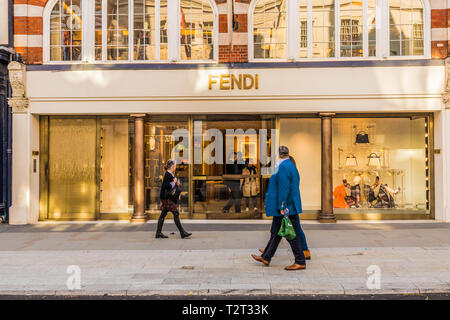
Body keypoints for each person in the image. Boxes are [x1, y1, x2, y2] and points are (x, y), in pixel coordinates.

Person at [251, 146, 306, 270]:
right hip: (290, 205)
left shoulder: (283, 167)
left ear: (278, 155)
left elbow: (284, 188)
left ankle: (300, 260)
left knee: (291, 235)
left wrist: (282, 206)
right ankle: (266, 257)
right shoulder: (291, 166)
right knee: (276, 233)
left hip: (286, 207)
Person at [258, 155, 311, 260]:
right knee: (277, 231)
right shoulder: (287, 171)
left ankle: (303, 253)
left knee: (293, 232)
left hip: (287, 208)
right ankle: (268, 254)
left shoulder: (287, 172)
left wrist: (283, 206)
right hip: (285, 207)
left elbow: (286, 190)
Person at [156, 159, 192, 239]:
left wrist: (176, 183)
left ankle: (158, 233)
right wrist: (174, 182)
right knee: (175, 213)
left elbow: (171, 184)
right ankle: (182, 233)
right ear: (172, 166)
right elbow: (167, 186)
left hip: (166, 197)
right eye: (175, 165)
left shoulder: (170, 174)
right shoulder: (167, 174)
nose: (176, 166)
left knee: (163, 214)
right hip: (166, 198)